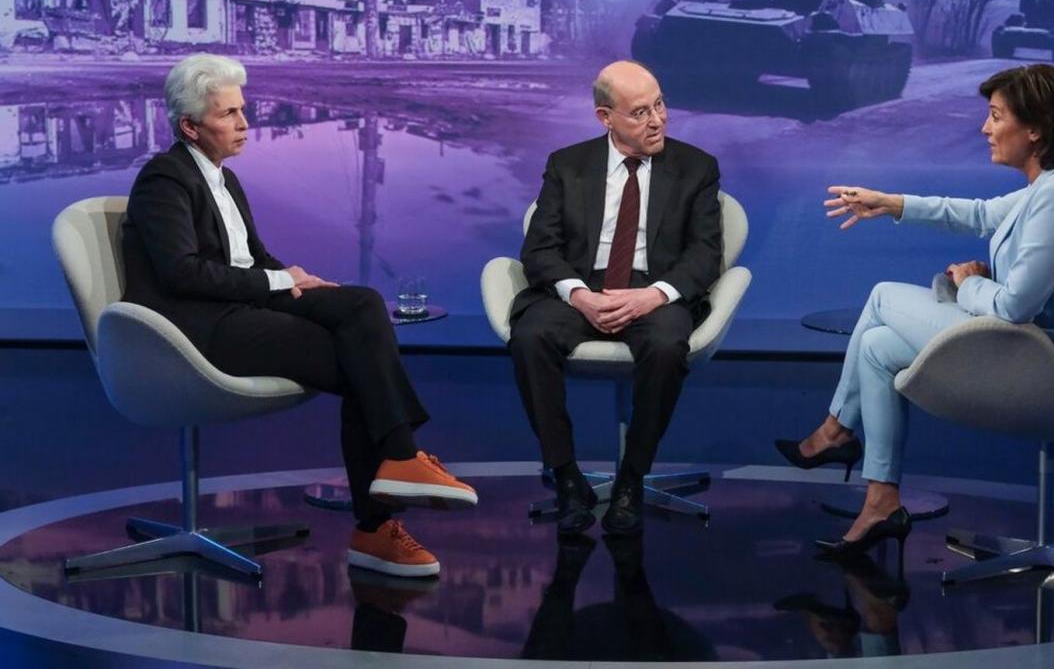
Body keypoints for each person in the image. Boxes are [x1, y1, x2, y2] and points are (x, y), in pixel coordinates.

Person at [122, 53, 476, 578]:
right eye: (229, 115)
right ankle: (378, 523)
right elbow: (183, 275)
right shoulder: (164, 180)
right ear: (190, 126)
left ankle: (397, 473)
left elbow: (251, 258)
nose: (245, 124)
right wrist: (276, 281)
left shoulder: (225, 179)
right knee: (358, 363)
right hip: (200, 328)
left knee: (360, 305)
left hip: (242, 304)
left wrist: (292, 276)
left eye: (244, 110)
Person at [775, 64, 1054, 552]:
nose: (985, 128)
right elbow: (981, 214)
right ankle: (880, 501)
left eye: (996, 116)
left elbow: (1015, 305)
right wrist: (892, 203)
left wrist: (967, 284)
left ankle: (835, 431)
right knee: (876, 346)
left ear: (1035, 129)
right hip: (1032, 342)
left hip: (1032, 356)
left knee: (880, 296)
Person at [510, 60, 722, 536]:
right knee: (530, 337)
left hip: (654, 289)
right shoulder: (567, 165)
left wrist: (655, 296)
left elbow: (706, 255)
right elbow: (539, 249)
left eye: (661, 105)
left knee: (667, 346)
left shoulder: (697, 168)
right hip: (581, 287)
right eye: (641, 112)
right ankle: (566, 477)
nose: (658, 120)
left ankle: (631, 478)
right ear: (605, 117)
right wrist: (579, 295)